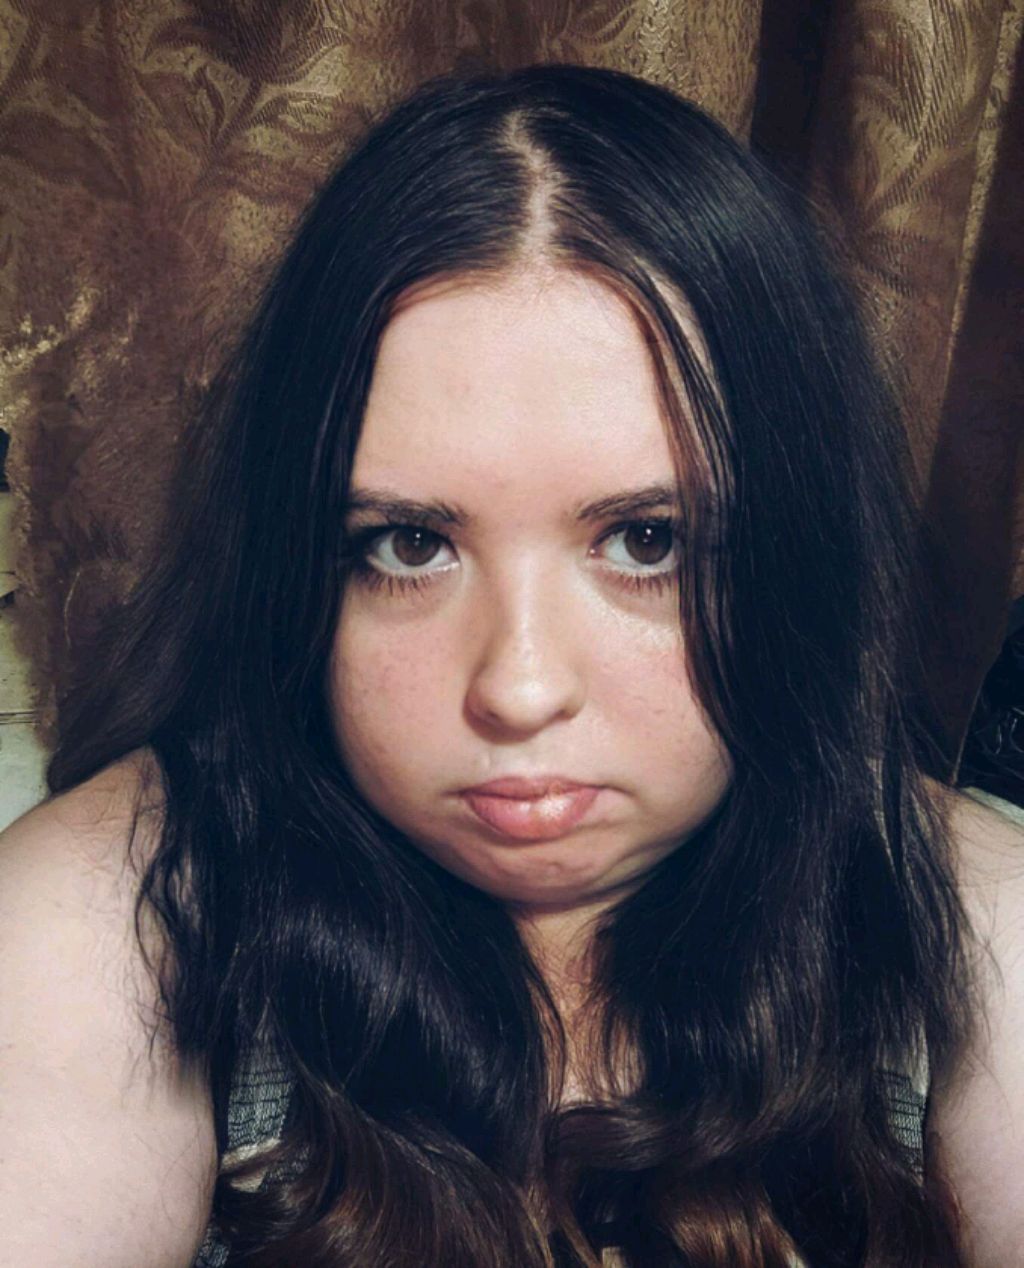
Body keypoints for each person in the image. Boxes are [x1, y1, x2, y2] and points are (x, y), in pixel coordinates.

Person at [1, 62, 1022, 1268]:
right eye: (408, 544)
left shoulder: (964, 917)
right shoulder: (119, 909)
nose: (519, 688)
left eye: (648, 541)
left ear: (794, 553)